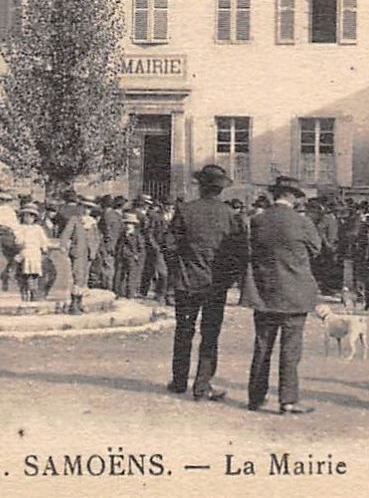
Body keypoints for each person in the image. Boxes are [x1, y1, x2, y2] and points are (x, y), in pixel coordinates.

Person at [163, 164, 246, 402]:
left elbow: (168, 245)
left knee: (183, 332)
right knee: (210, 335)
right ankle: (202, 385)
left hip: (186, 282)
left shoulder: (185, 211)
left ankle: (179, 382)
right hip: (215, 286)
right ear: (220, 190)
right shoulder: (231, 216)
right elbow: (239, 253)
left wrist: (177, 269)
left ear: (200, 186)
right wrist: (227, 279)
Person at [244, 175, 321, 414]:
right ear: (292, 196)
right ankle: (287, 400)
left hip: (265, 292)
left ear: (275, 195)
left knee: (262, 347)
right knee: (290, 350)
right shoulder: (302, 222)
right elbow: (317, 249)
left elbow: (251, 251)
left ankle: (256, 398)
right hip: (295, 294)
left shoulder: (258, 220)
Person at [60, 198, 100, 314]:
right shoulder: (75, 220)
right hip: (77, 252)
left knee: (84, 278)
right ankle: (74, 305)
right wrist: (63, 245)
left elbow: (96, 237)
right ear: (80, 207)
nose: (87, 211)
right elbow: (66, 233)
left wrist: (94, 249)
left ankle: (80, 301)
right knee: (77, 277)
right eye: (85, 207)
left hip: (88, 254)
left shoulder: (92, 222)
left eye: (89, 208)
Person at [114, 211, 146, 298]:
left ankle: (130, 293)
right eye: (127, 223)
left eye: (130, 224)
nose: (128, 225)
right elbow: (118, 244)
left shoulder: (137, 235)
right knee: (120, 274)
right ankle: (118, 292)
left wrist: (137, 255)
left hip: (132, 257)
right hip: (121, 256)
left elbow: (141, 247)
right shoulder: (123, 234)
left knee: (132, 275)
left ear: (134, 225)